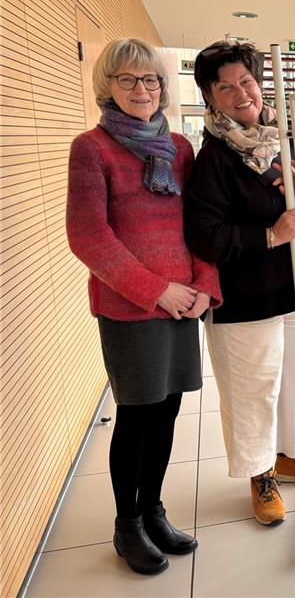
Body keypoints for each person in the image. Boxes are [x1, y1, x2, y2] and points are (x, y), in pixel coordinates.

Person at [66, 38, 221, 574]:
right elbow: (88, 236)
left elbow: (198, 223)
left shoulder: (179, 146)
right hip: (132, 309)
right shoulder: (92, 147)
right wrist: (157, 289)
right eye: (128, 79)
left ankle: (153, 509)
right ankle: (126, 524)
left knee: (169, 411)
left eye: (151, 80)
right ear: (107, 85)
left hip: (182, 307)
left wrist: (203, 285)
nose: (142, 89)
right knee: (137, 416)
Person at [183, 41, 295, 528]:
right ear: (211, 97)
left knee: (294, 381)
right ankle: (259, 472)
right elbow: (203, 236)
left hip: (292, 291)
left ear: (259, 83)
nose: (239, 93)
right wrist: (271, 234)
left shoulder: (282, 140)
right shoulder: (213, 158)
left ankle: (290, 454)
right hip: (244, 301)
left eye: (245, 81)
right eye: (224, 87)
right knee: (254, 390)